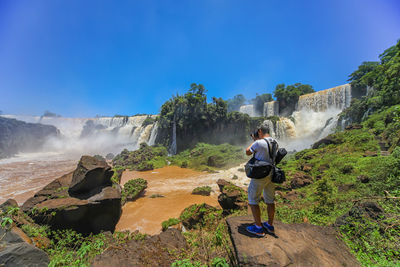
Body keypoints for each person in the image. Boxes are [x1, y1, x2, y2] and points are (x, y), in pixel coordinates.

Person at [245, 124, 278, 237]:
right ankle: (269, 224)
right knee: (270, 200)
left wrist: (254, 140)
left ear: (259, 131)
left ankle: (258, 228)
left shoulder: (259, 142)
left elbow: (248, 152)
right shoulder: (275, 142)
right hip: (272, 174)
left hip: (260, 174)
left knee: (253, 199)